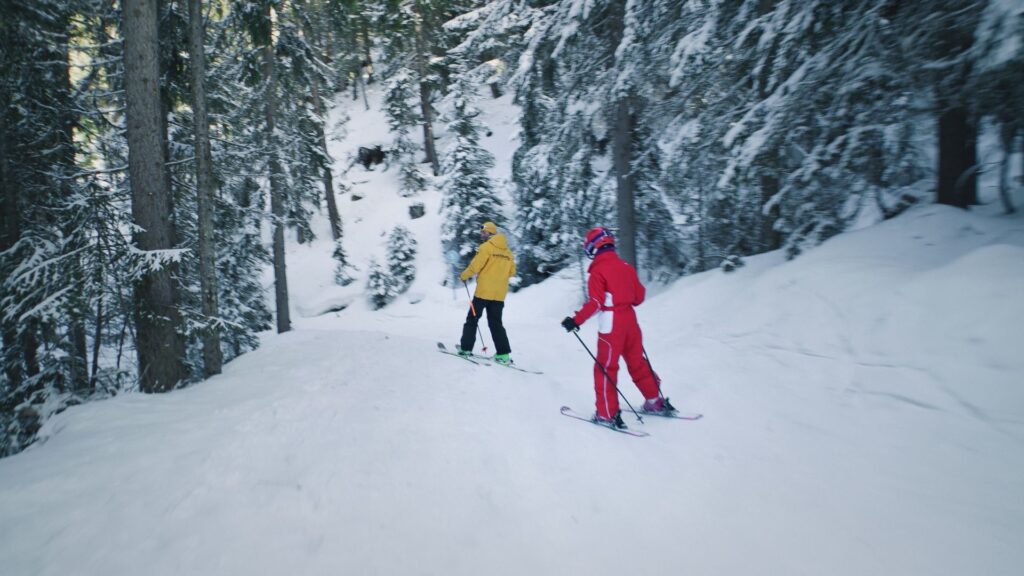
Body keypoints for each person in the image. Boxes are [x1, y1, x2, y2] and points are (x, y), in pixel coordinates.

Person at [561, 226, 675, 428]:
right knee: (637, 361)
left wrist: (575, 320)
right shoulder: (626, 267)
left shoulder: (598, 271)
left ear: (594, 246)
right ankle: (654, 401)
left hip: (611, 323)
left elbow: (596, 303)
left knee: (606, 367)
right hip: (630, 320)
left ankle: (606, 413)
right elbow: (639, 297)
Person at [457, 221, 516, 364]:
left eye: (484, 232)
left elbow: (475, 266)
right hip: (499, 295)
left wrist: (464, 276)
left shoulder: (486, 248)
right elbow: (512, 272)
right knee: (496, 323)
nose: (482, 235)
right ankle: (503, 355)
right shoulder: (508, 253)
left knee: (472, 319)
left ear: (491, 233)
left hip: (483, 293)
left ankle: (466, 349)